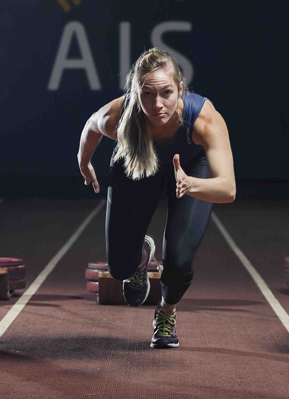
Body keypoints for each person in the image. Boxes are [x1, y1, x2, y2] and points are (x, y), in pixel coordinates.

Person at [77, 48, 236, 348]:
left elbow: (228, 189)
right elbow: (90, 127)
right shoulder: (121, 116)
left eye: (166, 93)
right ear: (135, 93)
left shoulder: (203, 121)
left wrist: (191, 185)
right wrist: (84, 162)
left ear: (180, 89)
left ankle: (166, 311)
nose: (157, 104)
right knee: (118, 269)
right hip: (138, 156)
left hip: (191, 170)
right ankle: (138, 262)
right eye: (147, 94)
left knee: (178, 259)